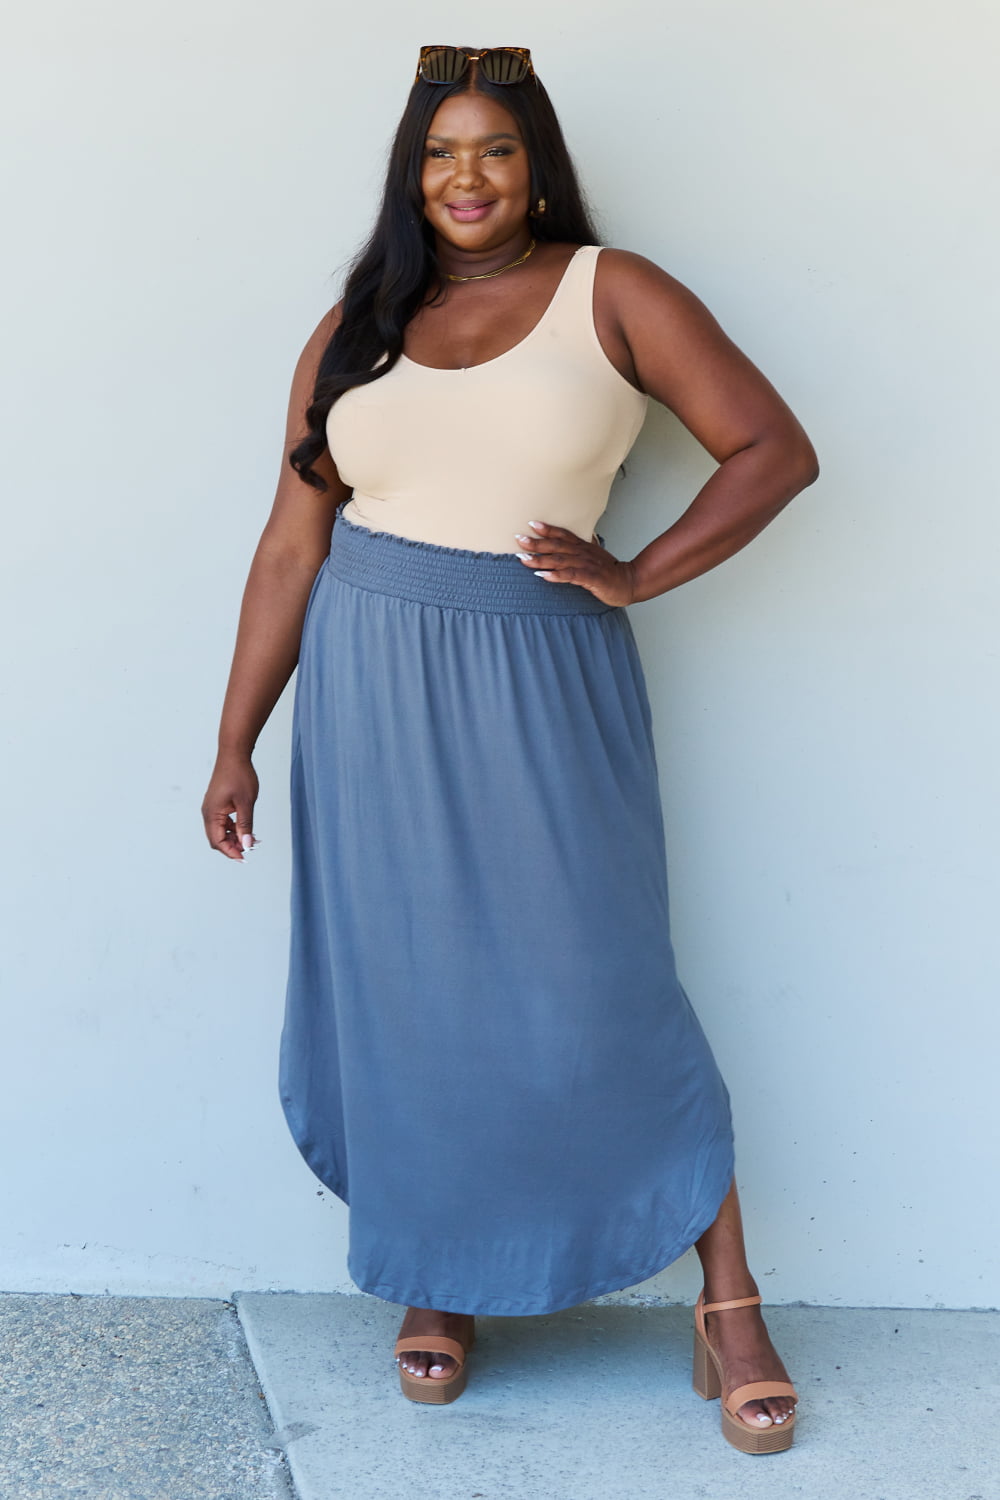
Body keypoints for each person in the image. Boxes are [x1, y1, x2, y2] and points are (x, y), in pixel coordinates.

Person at [201, 45, 818, 1455]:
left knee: (602, 977)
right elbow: (294, 540)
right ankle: (437, 1275)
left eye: (490, 150)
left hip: (538, 673)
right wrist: (235, 739)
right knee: (405, 979)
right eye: (437, 154)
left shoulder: (620, 292)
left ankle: (726, 1303)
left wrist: (639, 573)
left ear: (534, 163)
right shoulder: (359, 321)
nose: (463, 178)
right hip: (366, 681)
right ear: (407, 175)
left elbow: (771, 448)